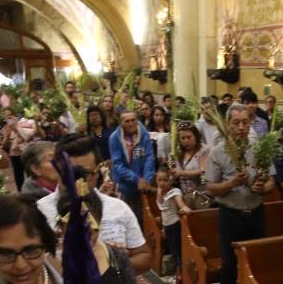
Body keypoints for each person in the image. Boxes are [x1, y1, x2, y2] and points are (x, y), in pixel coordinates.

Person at [205, 103, 276, 284]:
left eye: (245, 122)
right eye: (236, 122)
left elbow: (271, 180)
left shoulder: (259, 147)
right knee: (229, 263)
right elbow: (210, 187)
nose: (241, 127)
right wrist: (232, 182)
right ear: (228, 125)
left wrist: (263, 188)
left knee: (256, 261)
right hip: (230, 215)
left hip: (255, 212)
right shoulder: (218, 152)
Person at [38, 138, 151, 274]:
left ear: (98, 172)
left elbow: (143, 258)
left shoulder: (118, 208)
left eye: (84, 174)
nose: (76, 181)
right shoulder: (37, 212)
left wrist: (112, 261)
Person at [108, 111, 155, 224]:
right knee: (126, 220)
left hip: (142, 185)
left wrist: (146, 179)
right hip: (124, 185)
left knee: (143, 219)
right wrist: (136, 179)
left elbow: (148, 156)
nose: (131, 124)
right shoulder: (114, 138)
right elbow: (118, 164)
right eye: (127, 121)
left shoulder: (143, 134)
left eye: (133, 120)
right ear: (120, 123)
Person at [156, 167, 188, 273]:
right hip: (167, 226)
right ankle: (179, 271)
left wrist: (184, 208)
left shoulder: (174, 192)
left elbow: (180, 203)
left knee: (178, 252)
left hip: (175, 225)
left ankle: (181, 274)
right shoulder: (159, 192)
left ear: (171, 180)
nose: (162, 183)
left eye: (165, 180)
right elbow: (163, 211)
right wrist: (163, 228)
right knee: (173, 252)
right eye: (159, 180)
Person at [173, 122, 210, 209]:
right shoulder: (178, 153)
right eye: (183, 138)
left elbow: (203, 170)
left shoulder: (204, 150)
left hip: (202, 196)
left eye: (189, 137)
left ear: (196, 136)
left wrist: (182, 173)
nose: (186, 141)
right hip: (185, 196)